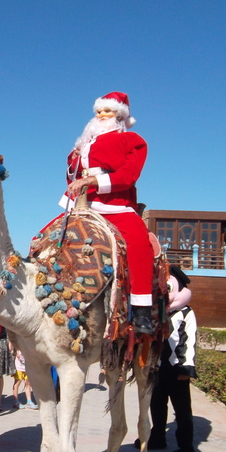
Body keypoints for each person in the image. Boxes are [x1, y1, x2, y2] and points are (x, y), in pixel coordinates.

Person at [61, 91, 155, 334]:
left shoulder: (132, 141)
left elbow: (128, 176)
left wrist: (93, 180)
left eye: (107, 111)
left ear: (120, 115)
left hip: (116, 206)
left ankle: (142, 309)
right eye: (98, 111)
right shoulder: (81, 146)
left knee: (139, 244)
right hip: (82, 208)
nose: (101, 115)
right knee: (45, 240)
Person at [149, 266, 198, 452]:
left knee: (182, 409)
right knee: (156, 403)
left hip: (177, 368)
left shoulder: (186, 313)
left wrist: (186, 368)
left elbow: (190, 342)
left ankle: (186, 446)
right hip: (158, 367)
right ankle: (157, 436)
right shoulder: (157, 312)